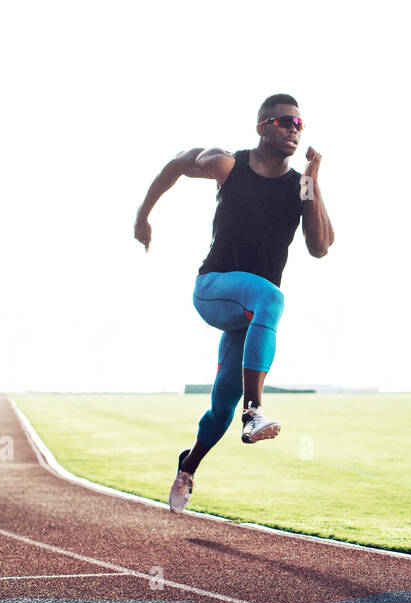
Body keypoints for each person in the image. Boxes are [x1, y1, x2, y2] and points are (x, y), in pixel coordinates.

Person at [132, 94, 335, 513]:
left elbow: (320, 248)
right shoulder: (228, 165)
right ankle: (255, 411)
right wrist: (142, 215)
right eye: (284, 122)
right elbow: (176, 162)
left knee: (219, 409)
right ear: (263, 127)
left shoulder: (300, 186)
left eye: (300, 124)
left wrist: (313, 178)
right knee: (271, 296)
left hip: (249, 315)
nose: (294, 130)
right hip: (213, 289)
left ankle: (188, 466)